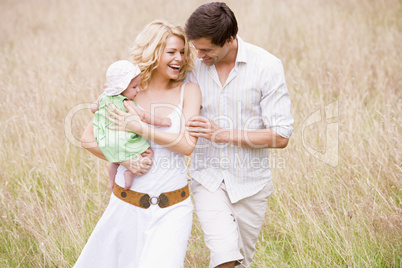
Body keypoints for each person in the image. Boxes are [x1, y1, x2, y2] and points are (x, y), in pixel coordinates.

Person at [77, 20, 201, 268]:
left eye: (182, 51)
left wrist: (141, 128)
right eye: (171, 52)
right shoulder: (127, 92)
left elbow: (187, 145)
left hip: (173, 208)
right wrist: (123, 159)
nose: (179, 58)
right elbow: (87, 139)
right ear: (154, 53)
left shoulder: (190, 91)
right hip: (126, 204)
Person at [183, 2, 294, 268]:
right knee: (224, 255)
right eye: (195, 47)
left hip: (251, 185)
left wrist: (223, 134)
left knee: (241, 262)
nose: (198, 55)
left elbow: (280, 136)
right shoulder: (192, 66)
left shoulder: (267, 66)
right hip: (206, 179)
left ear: (230, 40)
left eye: (206, 49)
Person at [91, 59, 171, 191]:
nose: (138, 90)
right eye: (134, 87)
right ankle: (130, 173)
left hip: (105, 139)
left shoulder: (104, 97)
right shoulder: (127, 102)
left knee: (115, 160)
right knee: (148, 152)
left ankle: (112, 182)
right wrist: (161, 121)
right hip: (122, 139)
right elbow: (144, 116)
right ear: (121, 88)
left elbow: (93, 109)